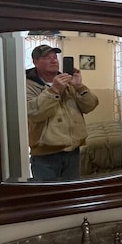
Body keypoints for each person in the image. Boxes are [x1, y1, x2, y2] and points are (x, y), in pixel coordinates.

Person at [26, 44, 99, 181]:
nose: (54, 60)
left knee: (72, 195)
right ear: (35, 62)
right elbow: (34, 113)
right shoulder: (27, 84)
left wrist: (79, 86)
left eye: (55, 57)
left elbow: (90, 106)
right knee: (48, 196)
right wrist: (54, 90)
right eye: (47, 58)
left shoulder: (69, 82)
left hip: (73, 152)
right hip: (45, 156)